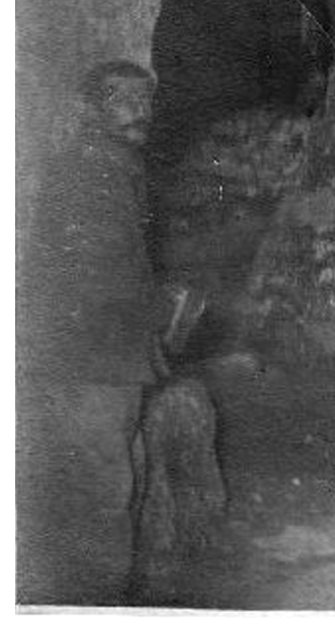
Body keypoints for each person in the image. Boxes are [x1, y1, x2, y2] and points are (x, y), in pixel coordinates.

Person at [17, 61, 170, 604]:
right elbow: (94, 273)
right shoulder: (86, 173)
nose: (139, 110)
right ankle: (95, 604)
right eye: (121, 99)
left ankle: (109, 594)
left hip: (112, 355)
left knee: (120, 475)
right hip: (90, 357)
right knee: (104, 488)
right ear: (90, 109)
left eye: (145, 99)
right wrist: (162, 309)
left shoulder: (116, 166)